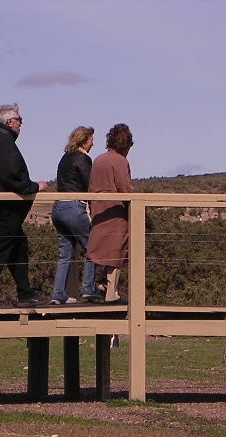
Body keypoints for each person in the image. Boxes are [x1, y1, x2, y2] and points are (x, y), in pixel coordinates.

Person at [0, 103, 47, 308]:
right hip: (5, 208)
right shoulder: (4, 142)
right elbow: (11, 175)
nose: (22, 123)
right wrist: (34, 186)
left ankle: (25, 293)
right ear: (9, 122)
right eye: (19, 119)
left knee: (17, 248)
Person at [49, 126, 100, 305]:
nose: (93, 143)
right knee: (92, 248)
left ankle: (58, 293)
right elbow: (89, 185)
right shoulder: (83, 159)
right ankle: (88, 289)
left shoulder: (64, 158)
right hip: (74, 207)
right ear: (84, 140)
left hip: (58, 208)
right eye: (91, 140)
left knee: (65, 254)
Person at [86, 123, 134, 304]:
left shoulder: (98, 160)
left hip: (98, 211)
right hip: (115, 213)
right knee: (116, 252)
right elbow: (125, 188)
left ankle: (99, 288)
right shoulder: (120, 161)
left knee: (100, 250)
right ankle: (111, 294)